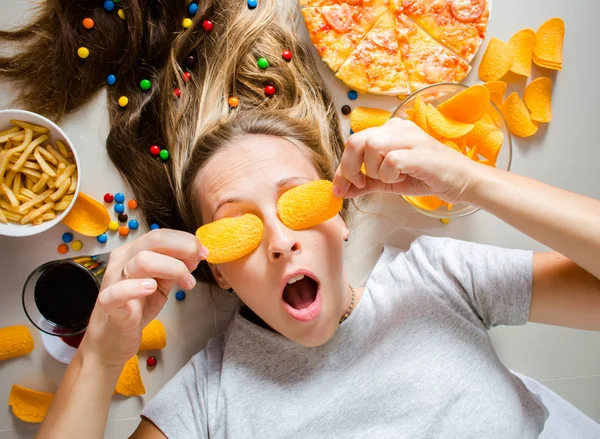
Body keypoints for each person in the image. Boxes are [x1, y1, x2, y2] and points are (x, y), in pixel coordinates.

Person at [1, 1, 599, 438]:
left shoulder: (440, 279)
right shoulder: (208, 402)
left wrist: (473, 180)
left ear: (339, 217)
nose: (283, 243)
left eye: (298, 203)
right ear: (220, 272)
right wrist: (102, 355)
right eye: (240, 225)